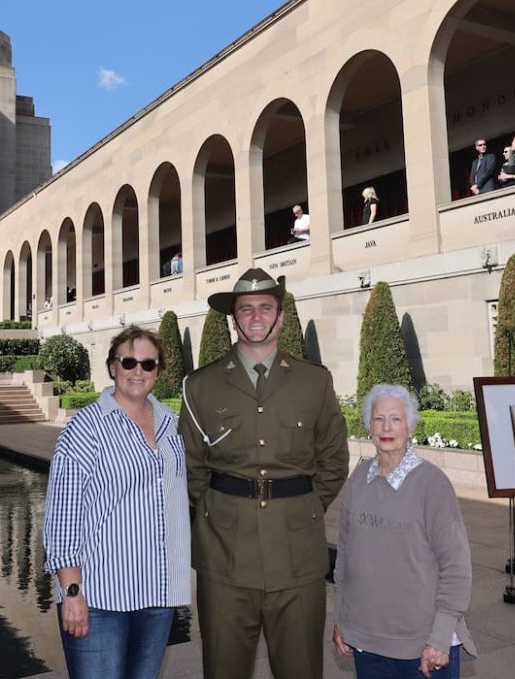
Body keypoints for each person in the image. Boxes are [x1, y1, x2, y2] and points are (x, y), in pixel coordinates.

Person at [179, 268, 349, 679]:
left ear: (281, 317)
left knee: (301, 670)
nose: (255, 316)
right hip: (224, 558)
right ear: (233, 318)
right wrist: (221, 511)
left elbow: (333, 459)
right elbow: (190, 467)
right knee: (223, 669)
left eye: (265, 308)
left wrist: (302, 506)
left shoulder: (315, 382)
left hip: (298, 557)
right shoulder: (200, 386)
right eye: (246, 309)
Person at [43, 326, 190, 679]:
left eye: (148, 364)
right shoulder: (86, 429)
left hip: (157, 593)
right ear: (112, 367)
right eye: (129, 361)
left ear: (158, 371)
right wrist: (72, 592)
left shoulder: (171, 426)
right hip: (100, 598)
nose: (138, 371)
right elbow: (62, 517)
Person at [333, 385, 477, 679]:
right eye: (379, 419)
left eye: (396, 419)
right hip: (368, 645)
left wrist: (439, 637)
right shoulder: (359, 479)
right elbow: (345, 559)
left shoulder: (432, 485)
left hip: (423, 648)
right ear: (368, 425)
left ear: (410, 427)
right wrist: (341, 620)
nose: (387, 427)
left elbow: (456, 567)